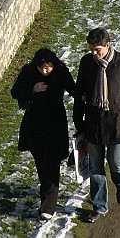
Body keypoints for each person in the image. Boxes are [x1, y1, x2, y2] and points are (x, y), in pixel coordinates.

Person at [73, 27, 120, 223]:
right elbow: (80, 91)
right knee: (96, 167)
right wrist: (78, 119)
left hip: (117, 122)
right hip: (94, 123)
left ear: (108, 45)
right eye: (91, 50)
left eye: (98, 50)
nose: (94, 54)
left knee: (116, 163)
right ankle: (99, 205)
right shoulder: (87, 63)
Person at [11, 47, 76, 220]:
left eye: (48, 67)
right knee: (41, 161)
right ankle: (45, 196)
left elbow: (74, 89)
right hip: (35, 124)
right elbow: (15, 92)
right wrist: (32, 89)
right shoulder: (29, 72)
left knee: (52, 162)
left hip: (55, 124)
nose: (44, 71)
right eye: (41, 68)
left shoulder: (61, 72)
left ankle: (48, 206)